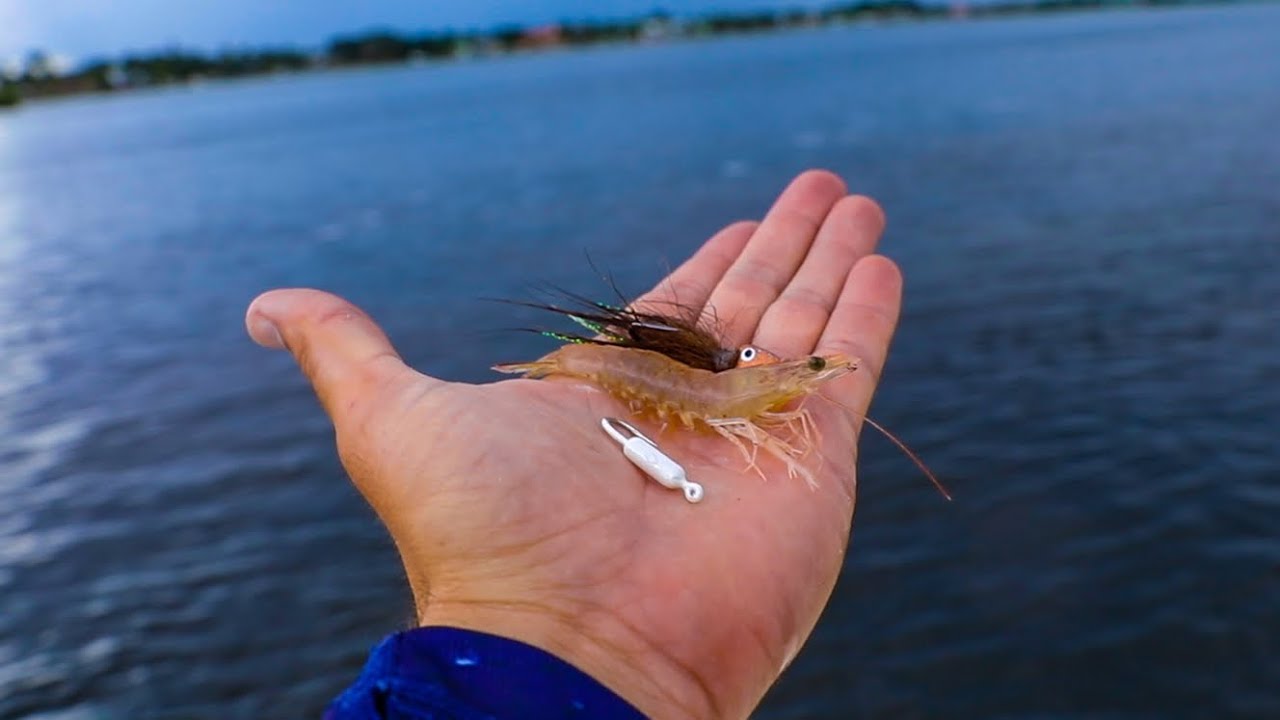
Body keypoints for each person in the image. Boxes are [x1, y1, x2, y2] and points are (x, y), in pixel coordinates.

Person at [245, 170, 903, 719]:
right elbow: (716, 404)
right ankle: (554, 366)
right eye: (812, 370)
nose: (817, 374)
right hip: (621, 377)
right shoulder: (718, 396)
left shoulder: (753, 391)